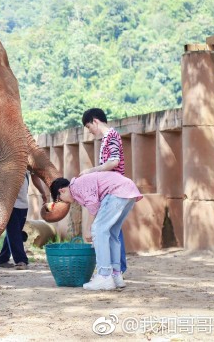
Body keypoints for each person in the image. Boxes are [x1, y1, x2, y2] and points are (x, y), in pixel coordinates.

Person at [50, 173, 142, 290]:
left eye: (59, 200)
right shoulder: (79, 185)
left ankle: (104, 276)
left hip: (117, 192)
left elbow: (93, 204)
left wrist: (88, 229)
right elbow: (96, 205)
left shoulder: (76, 185)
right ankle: (115, 274)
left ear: (61, 191)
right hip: (128, 191)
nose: (64, 202)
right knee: (113, 233)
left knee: (99, 230)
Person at [80, 108, 128, 273]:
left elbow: (114, 162)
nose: (90, 131)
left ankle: (114, 270)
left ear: (95, 121)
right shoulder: (108, 137)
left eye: (88, 127)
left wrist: (92, 171)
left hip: (114, 190)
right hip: (112, 190)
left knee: (106, 230)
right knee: (113, 230)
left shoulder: (111, 135)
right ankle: (117, 270)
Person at [0, 171, 48, 270]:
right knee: (14, 233)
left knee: (13, 233)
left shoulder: (27, 161)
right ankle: (21, 260)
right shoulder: (6, 159)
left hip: (23, 204)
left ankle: (2, 259)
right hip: (8, 204)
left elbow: (35, 177)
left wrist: (43, 193)